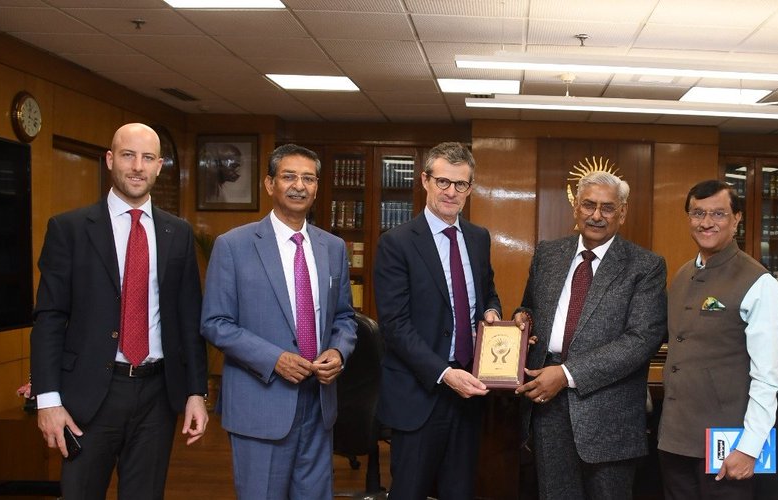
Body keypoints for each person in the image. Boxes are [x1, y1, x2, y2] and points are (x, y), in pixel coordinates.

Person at [29, 122, 209, 499]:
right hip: (89, 396)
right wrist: (48, 399)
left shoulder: (177, 233)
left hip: (157, 395)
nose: (137, 167)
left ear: (160, 166)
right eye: (128, 155)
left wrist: (196, 392)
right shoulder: (70, 229)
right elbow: (49, 318)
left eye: (147, 158)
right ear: (111, 160)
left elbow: (188, 319)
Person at [200, 144, 357, 498]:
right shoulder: (234, 245)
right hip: (261, 403)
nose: (298, 186)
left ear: (317, 187)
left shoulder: (333, 247)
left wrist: (339, 350)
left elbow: (345, 316)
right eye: (289, 176)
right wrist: (274, 359)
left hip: (319, 405)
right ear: (270, 184)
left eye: (308, 178)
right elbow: (215, 322)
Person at [514, 170, 667, 500]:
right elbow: (529, 308)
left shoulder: (645, 266)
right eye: (589, 205)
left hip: (609, 413)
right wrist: (521, 322)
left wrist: (567, 374)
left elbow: (642, 339)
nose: (596, 215)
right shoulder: (548, 254)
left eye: (608, 208)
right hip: (547, 405)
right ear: (576, 208)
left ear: (622, 212)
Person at [374, 142, 502, 500]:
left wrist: (491, 314)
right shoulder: (396, 243)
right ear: (425, 181)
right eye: (443, 181)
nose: (451, 192)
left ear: (470, 189)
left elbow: (487, 293)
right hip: (420, 393)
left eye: (460, 184)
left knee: (459, 491)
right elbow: (395, 325)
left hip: (469, 393)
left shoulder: (478, 238)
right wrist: (445, 375)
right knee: (410, 491)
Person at [657, 180, 778, 499]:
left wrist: (750, 448)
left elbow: (766, 378)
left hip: (729, 446)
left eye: (718, 213)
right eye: (698, 213)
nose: (706, 222)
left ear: (737, 218)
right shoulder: (683, 274)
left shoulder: (760, 284)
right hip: (675, 440)